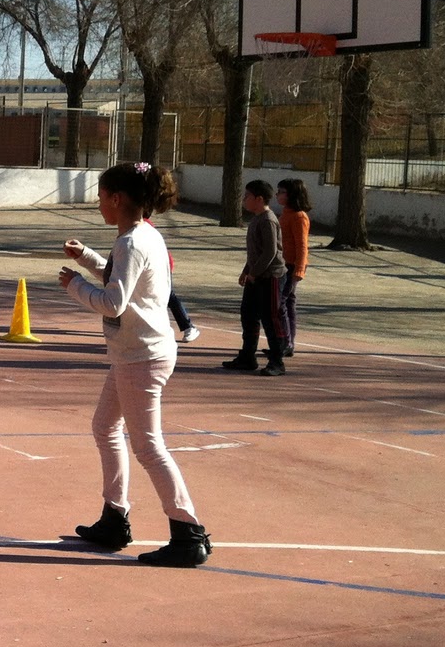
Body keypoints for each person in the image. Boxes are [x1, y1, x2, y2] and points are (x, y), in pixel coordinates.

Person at [59, 161, 212, 567]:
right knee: (105, 427)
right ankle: (114, 517)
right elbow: (123, 279)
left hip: (142, 356)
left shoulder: (131, 242)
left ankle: (188, 532)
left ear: (116, 198)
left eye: (100, 196)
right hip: (136, 353)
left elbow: (113, 302)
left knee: (148, 446)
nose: (97, 204)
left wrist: (75, 285)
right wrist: (87, 258)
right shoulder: (143, 235)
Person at [224, 179, 289, 376]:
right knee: (248, 314)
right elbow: (255, 252)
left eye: (247, 196)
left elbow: (270, 252)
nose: (244, 200)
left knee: (270, 318)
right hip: (256, 276)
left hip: (270, 277)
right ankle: (247, 357)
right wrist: (246, 271)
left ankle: (277, 361)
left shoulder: (268, 220)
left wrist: (254, 273)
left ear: (259, 199)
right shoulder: (256, 219)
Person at [276, 177, 312, 358]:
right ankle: (287, 342)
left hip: (291, 266)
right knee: (288, 303)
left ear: (291, 195)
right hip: (283, 264)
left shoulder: (299, 216)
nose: (277, 195)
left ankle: (286, 342)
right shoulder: (285, 214)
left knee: (280, 303)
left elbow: (302, 245)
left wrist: (299, 269)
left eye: (281, 192)